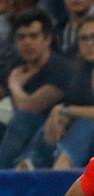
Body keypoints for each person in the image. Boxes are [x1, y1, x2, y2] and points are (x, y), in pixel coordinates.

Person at [18, 14, 94, 169]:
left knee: (85, 125)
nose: (89, 43)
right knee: (54, 122)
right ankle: (25, 166)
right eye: (83, 39)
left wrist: (64, 110)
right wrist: (61, 119)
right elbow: (74, 103)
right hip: (89, 136)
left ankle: (60, 171)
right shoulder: (82, 72)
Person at [0, 8, 73, 169]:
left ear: (47, 39)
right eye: (21, 37)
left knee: (23, 118)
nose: (27, 42)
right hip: (20, 135)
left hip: (53, 134)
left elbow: (29, 107)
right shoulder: (17, 66)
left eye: (33, 36)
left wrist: (14, 85)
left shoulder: (61, 68)